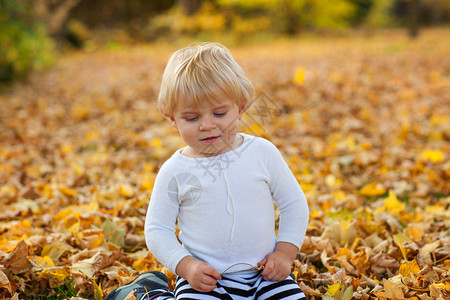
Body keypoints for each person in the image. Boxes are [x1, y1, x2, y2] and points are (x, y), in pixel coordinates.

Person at [105, 42, 309, 300]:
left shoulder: (262, 153)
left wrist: (284, 253)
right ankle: (145, 293)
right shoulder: (176, 171)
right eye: (192, 118)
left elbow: (294, 204)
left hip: (265, 274)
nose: (207, 125)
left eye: (220, 113)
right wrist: (186, 266)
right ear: (172, 119)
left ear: (241, 106)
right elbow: (158, 229)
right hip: (206, 281)